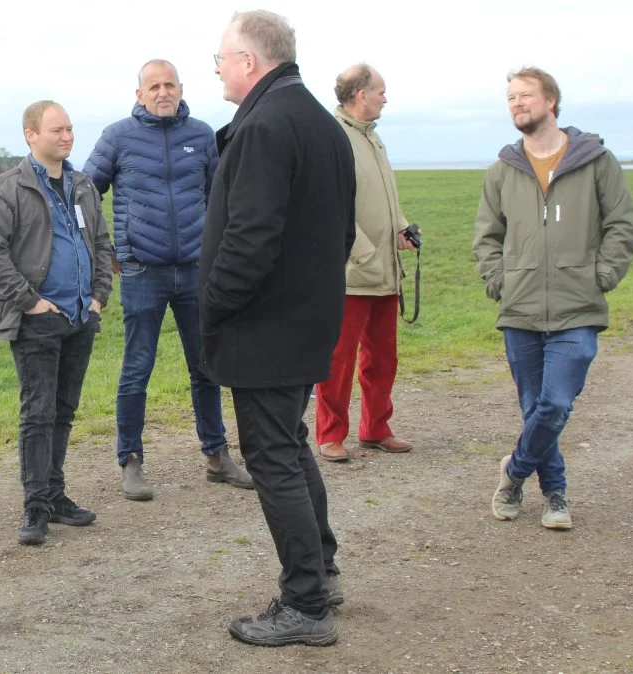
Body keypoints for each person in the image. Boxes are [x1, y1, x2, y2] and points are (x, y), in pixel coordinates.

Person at [201, 10, 354, 647]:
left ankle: (306, 604)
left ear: (249, 61)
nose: (215, 68)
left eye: (221, 58)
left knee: (272, 457)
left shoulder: (264, 124)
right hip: (306, 320)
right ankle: (322, 571)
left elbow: (251, 238)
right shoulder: (322, 122)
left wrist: (212, 304)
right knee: (288, 446)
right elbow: (343, 232)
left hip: (262, 327)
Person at [474, 66, 633, 530]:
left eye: (525, 95)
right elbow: (487, 236)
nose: (517, 104)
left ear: (551, 101)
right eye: (510, 98)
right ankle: (556, 495)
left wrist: (601, 274)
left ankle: (515, 470)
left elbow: (623, 223)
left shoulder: (595, 160)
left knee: (556, 404)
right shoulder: (503, 169)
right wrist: (498, 280)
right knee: (534, 407)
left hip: (578, 306)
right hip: (520, 306)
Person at [84, 60, 250, 501]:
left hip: (197, 270)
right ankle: (130, 461)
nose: (162, 92)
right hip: (142, 271)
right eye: (153, 86)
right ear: (139, 94)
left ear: (181, 89)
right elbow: (84, 193)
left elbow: (220, 199)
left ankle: (217, 456)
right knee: (137, 368)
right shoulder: (117, 137)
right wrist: (109, 250)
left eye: (169, 84)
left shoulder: (201, 135)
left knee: (206, 366)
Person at [0, 100, 114, 546]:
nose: (66, 136)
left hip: (79, 317)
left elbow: (102, 242)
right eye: (56, 130)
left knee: (64, 410)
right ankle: (35, 506)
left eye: (70, 128)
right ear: (31, 135)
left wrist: (97, 299)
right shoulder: (7, 188)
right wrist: (31, 303)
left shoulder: (82, 185)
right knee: (37, 413)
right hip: (38, 320)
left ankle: (55, 496)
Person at [315, 64, 416, 463]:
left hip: (385, 271)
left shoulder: (374, 139)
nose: (384, 98)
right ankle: (330, 435)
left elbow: (384, 197)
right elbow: (331, 206)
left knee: (382, 357)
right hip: (351, 273)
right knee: (339, 359)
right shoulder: (334, 137)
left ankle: (375, 428)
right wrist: (365, 253)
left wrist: (402, 229)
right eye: (380, 91)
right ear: (361, 94)